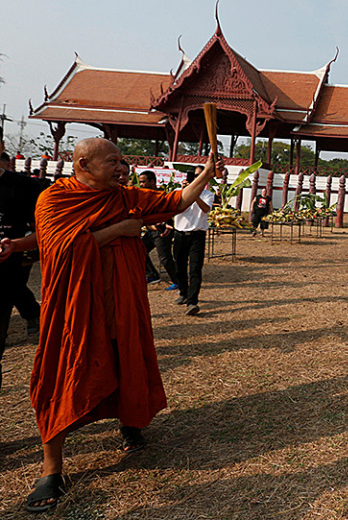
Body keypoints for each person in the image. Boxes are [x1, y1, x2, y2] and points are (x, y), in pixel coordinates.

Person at [0, 137, 223, 512]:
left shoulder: (124, 196)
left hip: (121, 301)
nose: (122, 168)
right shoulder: (54, 198)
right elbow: (59, 245)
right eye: (113, 162)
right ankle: (52, 468)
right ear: (84, 165)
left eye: (122, 162)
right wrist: (119, 230)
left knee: (124, 359)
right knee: (63, 374)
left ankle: (129, 421)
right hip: (75, 306)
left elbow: (176, 202)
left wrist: (205, 174)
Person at [0, 127, 44, 388]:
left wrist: (15, 246)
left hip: (6, 272)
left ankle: (33, 315)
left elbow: (44, 231)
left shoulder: (25, 187)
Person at [173, 169, 215, 316]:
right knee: (179, 266)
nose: (196, 178)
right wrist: (185, 191)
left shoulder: (207, 195)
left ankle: (192, 302)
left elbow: (206, 209)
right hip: (180, 233)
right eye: (194, 175)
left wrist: (194, 194)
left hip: (197, 235)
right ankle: (183, 293)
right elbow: (174, 207)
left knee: (195, 269)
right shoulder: (178, 192)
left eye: (199, 175)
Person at [138, 171, 178, 287]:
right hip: (151, 230)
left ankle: (178, 281)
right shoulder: (144, 195)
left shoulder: (161, 196)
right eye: (140, 182)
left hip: (163, 231)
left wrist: (163, 225)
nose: (141, 184)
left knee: (165, 258)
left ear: (152, 182)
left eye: (143, 182)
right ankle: (152, 275)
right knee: (139, 250)